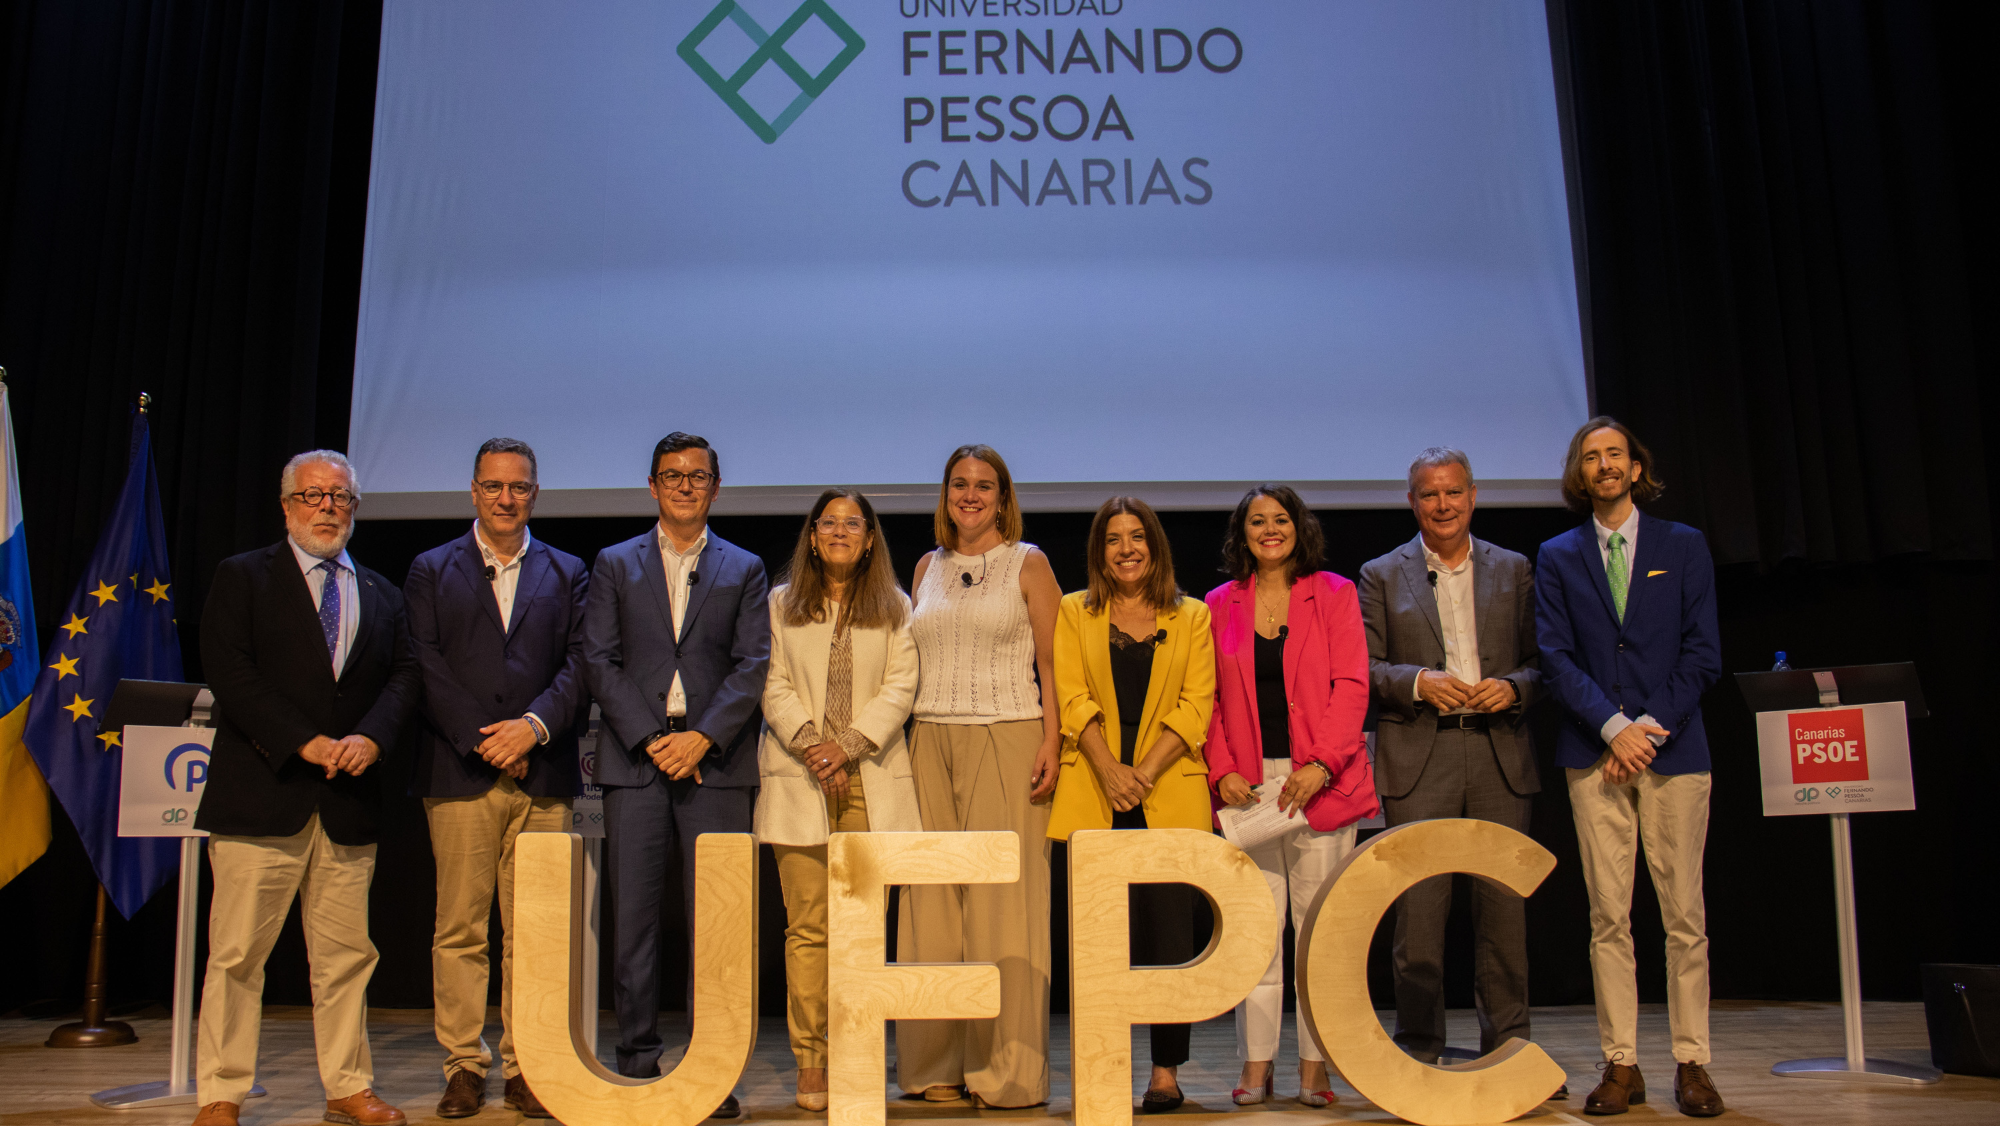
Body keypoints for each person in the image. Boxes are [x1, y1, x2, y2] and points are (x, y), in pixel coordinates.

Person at [191, 451, 422, 1126]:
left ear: (355, 508)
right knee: (236, 957)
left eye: (341, 498)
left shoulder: (381, 592)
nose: (328, 508)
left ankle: (348, 1086)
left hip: (347, 805)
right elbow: (230, 674)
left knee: (347, 958)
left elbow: (404, 677)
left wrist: (372, 740)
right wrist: (304, 742)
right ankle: (221, 1094)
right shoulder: (243, 578)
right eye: (314, 496)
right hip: (262, 795)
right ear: (287, 506)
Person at [1535, 417, 1722, 1118]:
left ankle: (1692, 1062)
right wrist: (1613, 728)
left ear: (1636, 468)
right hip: (1594, 754)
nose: (1605, 465)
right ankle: (1621, 1064)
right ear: (1580, 475)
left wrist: (1645, 729)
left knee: (1684, 917)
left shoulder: (1684, 545)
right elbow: (1555, 657)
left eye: (1615, 454)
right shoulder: (1557, 554)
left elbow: (1702, 653)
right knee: (1608, 916)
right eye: (1592, 457)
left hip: (1675, 752)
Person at [582, 432, 770, 1116]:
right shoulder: (613, 563)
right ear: (653, 486)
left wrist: (700, 738)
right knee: (633, 918)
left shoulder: (744, 567)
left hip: (713, 767)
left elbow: (753, 664)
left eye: (697, 477)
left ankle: (709, 1070)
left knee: (714, 926)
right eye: (672, 475)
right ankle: (636, 1059)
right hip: (636, 763)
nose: (685, 486)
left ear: (715, 488)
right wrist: (650, 737)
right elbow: (598, 659)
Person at [403, 438, 589, 1119]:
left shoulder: (569, 571)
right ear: (473, 492)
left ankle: (526, 1064)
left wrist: (531, 730)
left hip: (543, 773)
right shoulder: (430, 569)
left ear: (535, 494)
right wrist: (489, 743)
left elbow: (581, 664)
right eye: (492, 487)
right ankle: (463, 1065)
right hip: (460, 772)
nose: (505, 498)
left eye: (518, 488)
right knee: (460, 929)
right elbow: (424, 663)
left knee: (535, 934)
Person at [1358, 449, 1548, 1081]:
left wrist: (1515, 688)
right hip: (1421, 751)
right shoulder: (1382, 573)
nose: (1442, 506)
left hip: (1498, 750)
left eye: (1452, 493)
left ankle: (1510, 1048)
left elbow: (1542, 662)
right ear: (1412, 502)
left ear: (1473, 495)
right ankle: (1418, 1045)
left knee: (1503, 910)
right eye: (1428, 495)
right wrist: (1417, 682)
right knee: (1419, 913)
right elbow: (1366, 669)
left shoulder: (1515, 568)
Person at [896, 444, 1063, 1109]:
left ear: (1002, 497)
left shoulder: (1030, 562)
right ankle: (935, 1065)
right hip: (929, 739)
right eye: (959, 484)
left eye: (984, 486)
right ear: (946, 493)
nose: (971, 495)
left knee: (1006, 910)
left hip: (1008, 734)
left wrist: (1053, 738)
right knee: (930, 905)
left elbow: (1053, 664)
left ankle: (1008, 1071)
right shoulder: (925, 567)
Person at [1204, 484, 1375, 1108]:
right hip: (1250, 790)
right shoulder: (1219, 604)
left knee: (1315, 933)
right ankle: (1256, 1063)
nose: (1269, 529)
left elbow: (1352, 684)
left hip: (1319, 787)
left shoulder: (1333, 593)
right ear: (1241, 533)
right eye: (1257, 521)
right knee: (1255, 930)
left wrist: (1321, 765)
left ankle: (1313, 1065)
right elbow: (1209, 700)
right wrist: (1220, 768)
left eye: (1280, 519)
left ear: (1298, 528)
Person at [754, 489, 920, 1112]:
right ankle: (812, 1059)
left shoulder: (895, 607)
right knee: (809, 931)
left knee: (865, 933)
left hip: (869, 783)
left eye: (854, 524)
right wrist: (812, 746)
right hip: (799, 780)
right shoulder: (780, 604)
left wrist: (845, 748)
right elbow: (771, 684)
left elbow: (903, 687)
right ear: (813, 534)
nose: (842, 533)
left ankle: (858, 1051)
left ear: (870, 537)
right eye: (830, 523)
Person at [1047, 496, 1214, 1113]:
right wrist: (1110, 770)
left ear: (1155, 546)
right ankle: (1103, 1066)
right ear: (1099, 551)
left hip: (1166, 794)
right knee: (1099, 948)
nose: (1126, 549)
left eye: (1137, 537)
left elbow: (1196, 704)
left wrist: (1140, 774)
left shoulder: (1192, 615)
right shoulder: (1074, 611)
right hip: (1094, 793)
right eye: (1113, 539)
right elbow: (1071, 696)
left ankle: (1165, 1073)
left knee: (1169, 946)